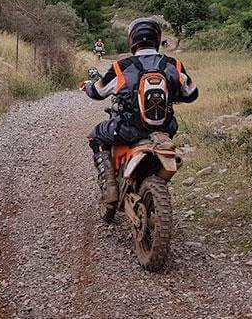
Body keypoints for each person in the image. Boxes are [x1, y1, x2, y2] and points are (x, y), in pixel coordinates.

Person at [80, 18, 198, 206]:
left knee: (95, 136)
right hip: (165, 130)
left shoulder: (122, 67)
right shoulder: (173, 65)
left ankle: (110, 185)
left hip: (128, 130)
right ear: (157, 39)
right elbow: (192, 94)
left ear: (132, 39)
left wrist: (87, 87)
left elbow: (98, 92)